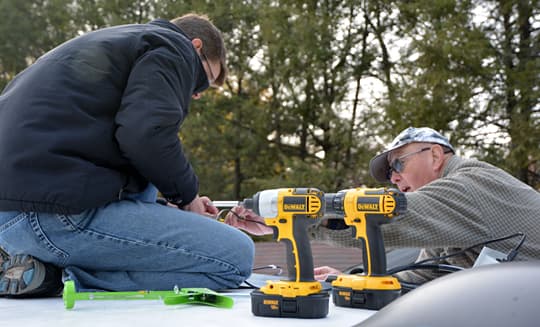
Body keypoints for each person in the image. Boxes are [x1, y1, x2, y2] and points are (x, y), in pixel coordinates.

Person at [0, 13, 254, 297]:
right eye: (202, 83)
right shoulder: (174, 47)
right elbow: (145, 134)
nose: (195, 95)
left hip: (10, 220)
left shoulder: (107, 46)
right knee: (236, 256)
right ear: (195, 47)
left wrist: (168, 207)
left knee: (148, 196)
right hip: (57, 216)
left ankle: (34, 272)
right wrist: (188, 199)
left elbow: (110, 148)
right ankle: (61, 278)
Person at [225, 127, 540, 286]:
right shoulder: (451, 216)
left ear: (435, 155)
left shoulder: (470, 185)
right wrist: (349, 279)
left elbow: (388, 220)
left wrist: (294, 218)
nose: (394, 178)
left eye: (398, 165)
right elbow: (423, 277)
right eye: (389, 173)